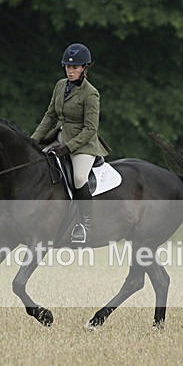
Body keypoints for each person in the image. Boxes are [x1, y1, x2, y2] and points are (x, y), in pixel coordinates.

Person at [32, 43, 110, 244]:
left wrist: (68, 148)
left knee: (78, 177)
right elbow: (50, 116)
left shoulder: (90, 93)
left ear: (84, 68)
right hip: (59, 137)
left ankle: (85, 224)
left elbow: (90, 129)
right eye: (67, 66)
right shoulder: (60, 85)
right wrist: (32, 141)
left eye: (75, 67)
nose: (70, 70)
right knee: (37, 164)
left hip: (83, 144)